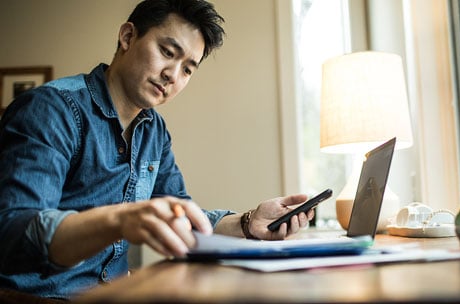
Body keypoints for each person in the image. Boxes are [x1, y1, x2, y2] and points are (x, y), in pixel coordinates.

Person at [0, 0, 313, 300]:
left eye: (188, 69)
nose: (173, 75)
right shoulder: (51, 109)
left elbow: (182, 215)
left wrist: (249, 223)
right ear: (127, 36)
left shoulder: (154, 129)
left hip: (117, 294)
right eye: (167, 52)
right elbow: (13, 232)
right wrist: (119, 219)